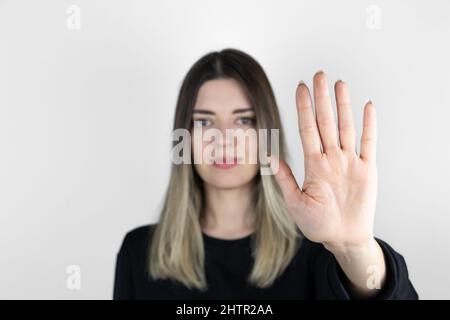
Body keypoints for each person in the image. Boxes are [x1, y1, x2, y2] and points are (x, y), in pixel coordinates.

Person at [113, 48, 418, 300]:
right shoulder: (139, 252)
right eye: (204, 123)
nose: (224, 138)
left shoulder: (319, 246)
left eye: (244, 121)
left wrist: (354, 247)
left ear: (266, 133)